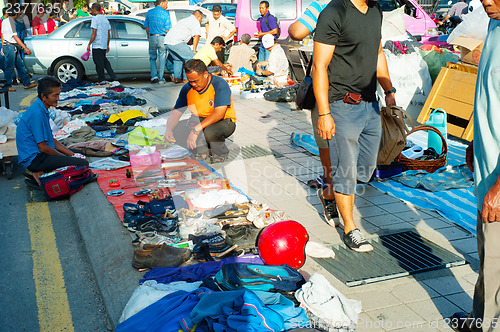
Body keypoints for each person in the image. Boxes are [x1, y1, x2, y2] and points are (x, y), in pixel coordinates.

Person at [313, 0, 396, 252]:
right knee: (346, 169)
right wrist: (325, 113)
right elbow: (319, 66)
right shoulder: (334, 12)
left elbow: (378, 52)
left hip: (370, 103)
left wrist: (388, 90)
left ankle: (329, 193)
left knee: (366, 169)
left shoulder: (375, 10)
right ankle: (350, 228)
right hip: (342, 104)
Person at [451, 0, 500, 330]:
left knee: (496, 258)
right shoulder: (494, 27)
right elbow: (489, 92)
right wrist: (474, 139)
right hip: (487, 161)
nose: (485, 1)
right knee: (488, 254)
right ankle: (480, 318)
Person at [288, 0, 335, 223]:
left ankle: (330, 184)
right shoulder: (367, 7)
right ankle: (332, 186)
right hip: (356, 84)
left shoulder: (323, 5)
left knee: (325, 138)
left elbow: (296, 31)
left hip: (328, 81)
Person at [16, 76, 89, 189]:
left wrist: (70, 154)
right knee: (81, 164)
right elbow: (43, 147)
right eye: (55, 95)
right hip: (35, 159)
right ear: (43, 97)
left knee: (79, 154)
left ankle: (45, 173)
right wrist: (67, 158)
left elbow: (51, 141)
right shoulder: (37, 113)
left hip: (40, 154)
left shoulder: (41, 109)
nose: (58, 98)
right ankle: (45, 180)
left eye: (58, 94)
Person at [165, 59, 236, 163]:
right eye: (190, 81)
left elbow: (219, 114)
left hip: (223, 121)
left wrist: (196, 130)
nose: (193, 84)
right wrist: (168, 129)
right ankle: (203, 150)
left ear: (206, 74)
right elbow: (176, 112)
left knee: (210, 132)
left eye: (196, 81)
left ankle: (221, 152)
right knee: (177, 130)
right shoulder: (187, 89)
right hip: (199, 119)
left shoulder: (219, 84)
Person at [2, 10, 37, 92]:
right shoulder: (11, 23)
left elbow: (2, 33)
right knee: (9, 67)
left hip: (9, 45)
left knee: (20, 65)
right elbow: (15, 37)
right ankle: (7, 85)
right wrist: (25, 47)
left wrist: (3, 45)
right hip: (10, 46)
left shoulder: (5, 20)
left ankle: (27, 83)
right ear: (16, 14)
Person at [164, 10, 203, 84]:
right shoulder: (195, 21)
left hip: (167, 41)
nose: (201, 21)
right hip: (177, 42)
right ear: (198, 16)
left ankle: (177, 78)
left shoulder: (184, 20)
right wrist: (194, 50)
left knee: (177, 59)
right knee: (191, 58)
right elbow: (196, 36)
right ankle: (187, 78)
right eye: (201, 19)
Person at [87, 3, 116, 82]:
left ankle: (101, 79)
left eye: (92, 10)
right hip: (103, 45)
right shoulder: (105, 19)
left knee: (98, 64)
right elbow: (108, 33)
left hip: (97, 45)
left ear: (94, 9)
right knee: (104, 61)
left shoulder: (95, 19)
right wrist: (107, 44)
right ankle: (113, 76)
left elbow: (94, 33)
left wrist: (89, 44)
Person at [144, 0, 171, 84]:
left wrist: (149, 36)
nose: (167, 6)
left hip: (152, 36)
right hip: (162, 38)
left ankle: (154, 76)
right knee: (162, 57)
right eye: (166, 4)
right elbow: (167, 29)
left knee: (152, 57)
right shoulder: (166, 13)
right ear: (162, 3)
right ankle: (161, 78)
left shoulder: (149, 12)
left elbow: (147, 27)